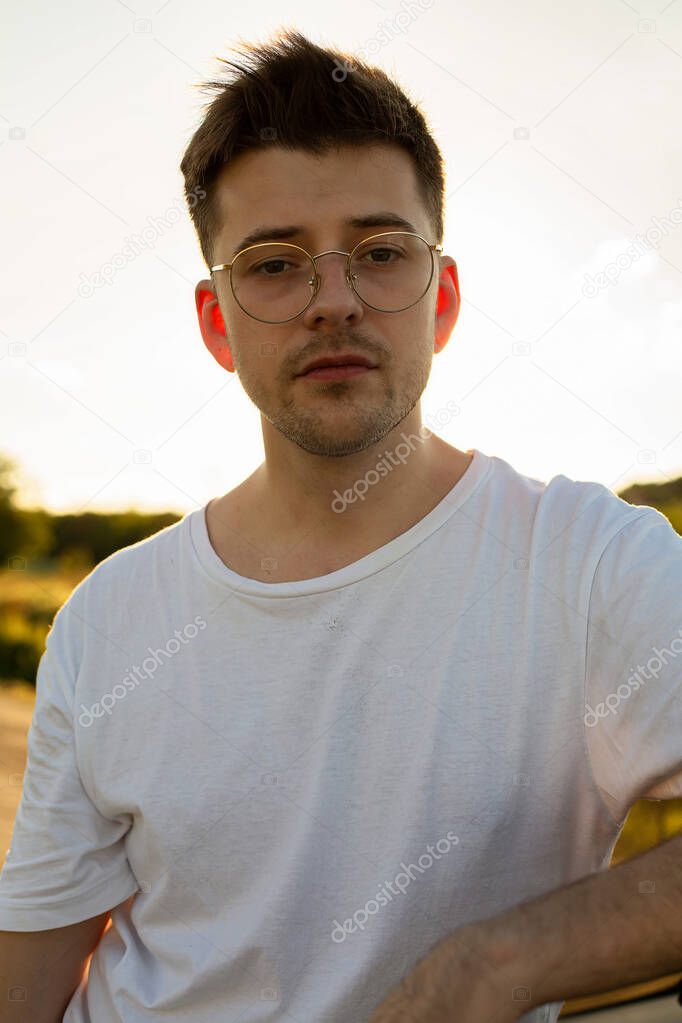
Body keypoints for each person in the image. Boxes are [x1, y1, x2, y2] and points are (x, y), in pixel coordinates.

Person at [1, 27, 682, 1023]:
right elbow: (32, 977)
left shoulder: (589, 564)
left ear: (440, 297)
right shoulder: (112, 617)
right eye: (274, 265)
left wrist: (492, 964)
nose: (334, 301)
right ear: (215, 319)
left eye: (379, 252)